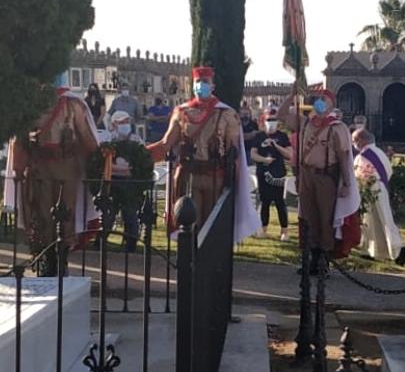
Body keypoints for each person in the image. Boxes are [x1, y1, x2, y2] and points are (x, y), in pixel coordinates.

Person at [146, 66, 260, 241]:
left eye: (205, 81)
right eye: (198, 81)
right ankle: (188, 263)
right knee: (188, 225)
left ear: (213, 85)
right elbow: (165, 144)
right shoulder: (181, 112)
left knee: (212, 227)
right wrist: (139, 155)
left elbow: (234, 153)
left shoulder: (227, 114)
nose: (201, 85)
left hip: (216, 177)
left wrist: (236, 186)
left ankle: (208, 265)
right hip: (188, 176)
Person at [8, 75, 100, 274]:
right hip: (60, 171)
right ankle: (57, 262)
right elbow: (89, 142)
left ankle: (50, 263)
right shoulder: (73, 104)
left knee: (45, 217)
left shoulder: (31, 104)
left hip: (42, 170)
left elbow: (19, 143)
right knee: (59, 217)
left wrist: (18, 169)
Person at [280, 89, 359, 254]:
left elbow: (343, 157)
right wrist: (292, 95)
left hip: (325, 176)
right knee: (308, 217)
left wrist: (346, 183)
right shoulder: (305, 123)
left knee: (325, 218)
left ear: (331, 105)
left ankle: (324, 259)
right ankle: (310, 257)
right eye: (318, 99)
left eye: (324, 99)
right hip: (306, 175)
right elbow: (281, 115)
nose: (319, 101)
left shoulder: (337, 127)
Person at [353, 128, 405, 264]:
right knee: (371, 221)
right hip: (380, 187)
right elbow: (389, 171)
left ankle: (398, 248)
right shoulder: (379, 153)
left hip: (372, 187)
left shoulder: (364, 156)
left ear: (362, 140)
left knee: (383, 219)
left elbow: (357, 174)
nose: (354, 143)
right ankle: (370, 249)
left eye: (355, 140)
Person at [106, 110, 148, 252]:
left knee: (130, 215)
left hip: (130, 185)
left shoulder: (137, 141)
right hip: (111, 184)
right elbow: (104, 164)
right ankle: (101, 241)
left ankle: (131, 244)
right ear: (114, 124)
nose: (126, 124)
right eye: (122, 122)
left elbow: (141, 163)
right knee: (108, 214)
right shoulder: (108, 140)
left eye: (127, 122)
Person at [249, 108, 291, 240]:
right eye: (268, 119)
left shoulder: (283, 136)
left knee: (280, 202)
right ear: (264, 120)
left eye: (273, 119)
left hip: (278, 173)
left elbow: (289, 154)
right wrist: (264, 160)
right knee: (265, 201)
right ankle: (263, 228)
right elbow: (253, 154)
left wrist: (276, 146)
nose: (271, 122)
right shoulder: (259, 136)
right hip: (263, 173)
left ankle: (284, 231)